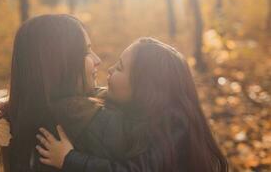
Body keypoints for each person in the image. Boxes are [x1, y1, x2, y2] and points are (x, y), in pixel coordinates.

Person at [36, 38, 229, 172]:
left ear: (145, 87)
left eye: (119, 67)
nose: (109, 69)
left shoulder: (172, 124)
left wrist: (69, 160)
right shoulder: (145, 112)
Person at [0, 14, 131, 172]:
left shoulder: (16, 122)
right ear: (60, 63)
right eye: (86, 52)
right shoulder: (97, 121)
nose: (97, 60)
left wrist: (10, 101)